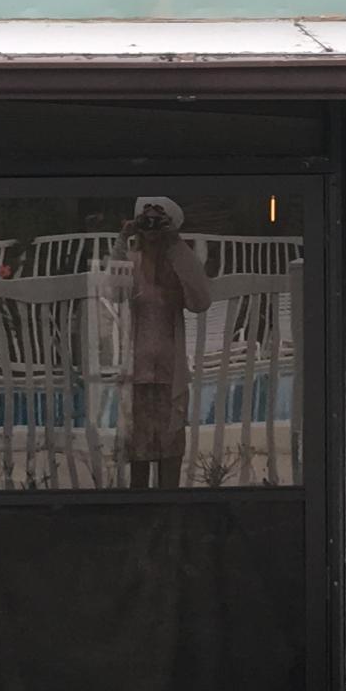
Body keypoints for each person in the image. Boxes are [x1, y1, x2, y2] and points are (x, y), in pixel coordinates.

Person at [119, 197, 211, 488]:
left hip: (170, 376)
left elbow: (200, 301)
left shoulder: (177, 263)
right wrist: (123, 240)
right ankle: (139, 515)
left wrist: (176, 245)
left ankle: (170, 510)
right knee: (139, 457)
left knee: (170, 453)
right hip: (137, 376)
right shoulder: (131, 260)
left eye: (159, 220)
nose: (152, 227)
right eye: (146, 219)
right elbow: (110, 291)